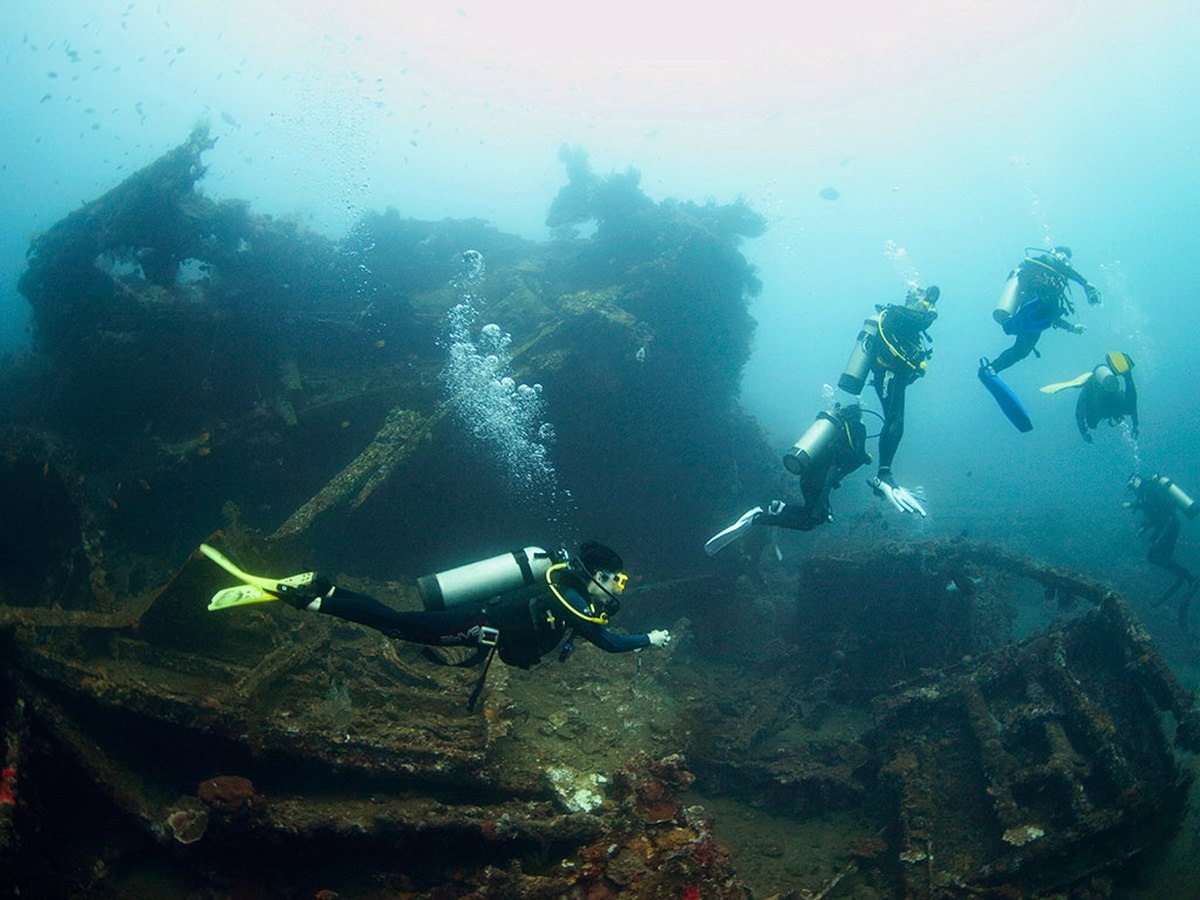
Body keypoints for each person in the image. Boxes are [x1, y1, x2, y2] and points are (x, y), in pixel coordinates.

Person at [202, 541, 670, 706]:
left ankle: (321, 589)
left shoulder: (568, 593)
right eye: (617, 579)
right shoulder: (571, 599)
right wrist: (650, 639)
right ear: (596, 575)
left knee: (397, 621)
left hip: (480, 624)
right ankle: (307, 597)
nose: (619, 587)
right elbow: (607, 642)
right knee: (396, 625)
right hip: (476, 625)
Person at [704, 403, 871, 555]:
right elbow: (857, 456)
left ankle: (777, 507)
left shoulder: (834, 426)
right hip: (822, 479)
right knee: (810, 521)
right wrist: (866, 458)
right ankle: (757, 519)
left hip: (806, 474)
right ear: (858, 415)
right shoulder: (857, 427)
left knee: (814, 514)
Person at [864, 285, 938, 515]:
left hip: (894, 375)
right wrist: (932, 306)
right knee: (895, 421)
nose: (923, 303)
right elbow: (922, 322)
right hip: (887, 373)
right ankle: (883, 475)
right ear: (912, 301)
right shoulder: (897, 313)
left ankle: (883, 475)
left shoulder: (905, 319)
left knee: (896, 421)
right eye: (920, 299)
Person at [983, 246, 1102, 375]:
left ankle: (992, 368)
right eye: (1063, 254)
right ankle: (993, 366)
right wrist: (1084, 283)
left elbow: (1052, 318)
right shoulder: (1048, 259)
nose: (1065, 258)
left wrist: (1071, 328)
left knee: (1022, 350)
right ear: (1054, 252)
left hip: (1037, 318)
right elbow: (1059, 266)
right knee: (1023, 345)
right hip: (1034, 304)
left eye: (1067, 257)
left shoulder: (1054, 280)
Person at [1125, 473, 1198, 630]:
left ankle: (1186, 576)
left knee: (1153, 555)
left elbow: (1155, 505)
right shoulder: (1147, 492)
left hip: (1170, 525)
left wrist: (1133, 505)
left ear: (1137, 481)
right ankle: (1185, 576)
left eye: (1132, 485)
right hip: (1169, 525)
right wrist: (1145, 526)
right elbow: (1156, 514)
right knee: (1161, 556)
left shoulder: (1149, 488)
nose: (1134, 489)